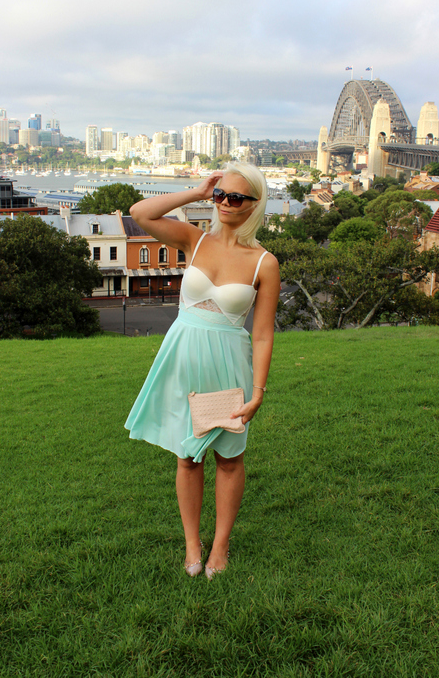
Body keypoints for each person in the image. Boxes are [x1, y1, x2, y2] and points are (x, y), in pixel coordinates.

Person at [124, 163, 280, 578]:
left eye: (237, 197)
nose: (226, 203)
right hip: (183, 361)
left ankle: (220, 546)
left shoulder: (264, 262)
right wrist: (196, 192)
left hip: (229, 366)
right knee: (187, 457)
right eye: (221, 194)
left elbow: (262, 334)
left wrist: (258, 391)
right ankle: (192, 544)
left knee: (229, 458)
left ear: (255, 204)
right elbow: (140, 213)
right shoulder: (194, 240)